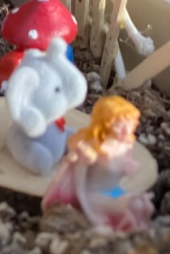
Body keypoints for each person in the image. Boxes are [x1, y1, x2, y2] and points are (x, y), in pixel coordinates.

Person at [41, 95, 154, 231]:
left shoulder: (126, 147)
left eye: (129, 125)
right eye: (119, 125)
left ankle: (135, 232)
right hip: (93, 195)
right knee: (133, 205)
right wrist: (88, 209)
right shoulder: (90, 148)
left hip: (114, 191)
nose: (126, 131)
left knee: (143, 204)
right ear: (106, 123)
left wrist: (129, 168)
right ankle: (125, 231)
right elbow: (80, 186)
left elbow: (126, 174)